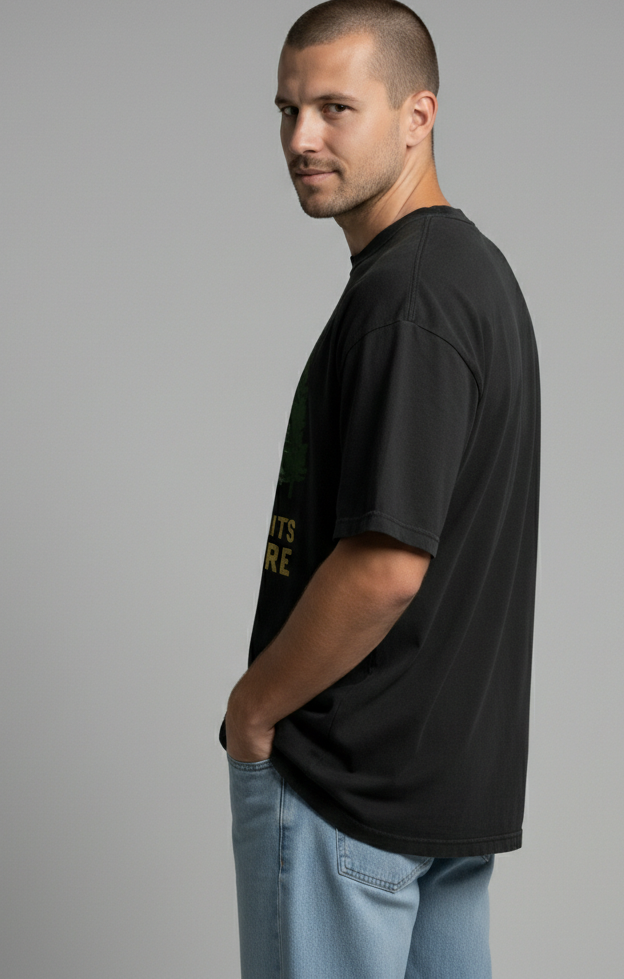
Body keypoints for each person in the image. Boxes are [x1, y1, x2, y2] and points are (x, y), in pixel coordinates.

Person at [219, 1, 540, 976]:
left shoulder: (408, 298)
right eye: (286, 109)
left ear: (417, 114)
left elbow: (386, 565)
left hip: (348, 787)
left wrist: (255, 709)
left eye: (334, 108)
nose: (300, 138)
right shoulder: (468, 276)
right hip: (438, 794)